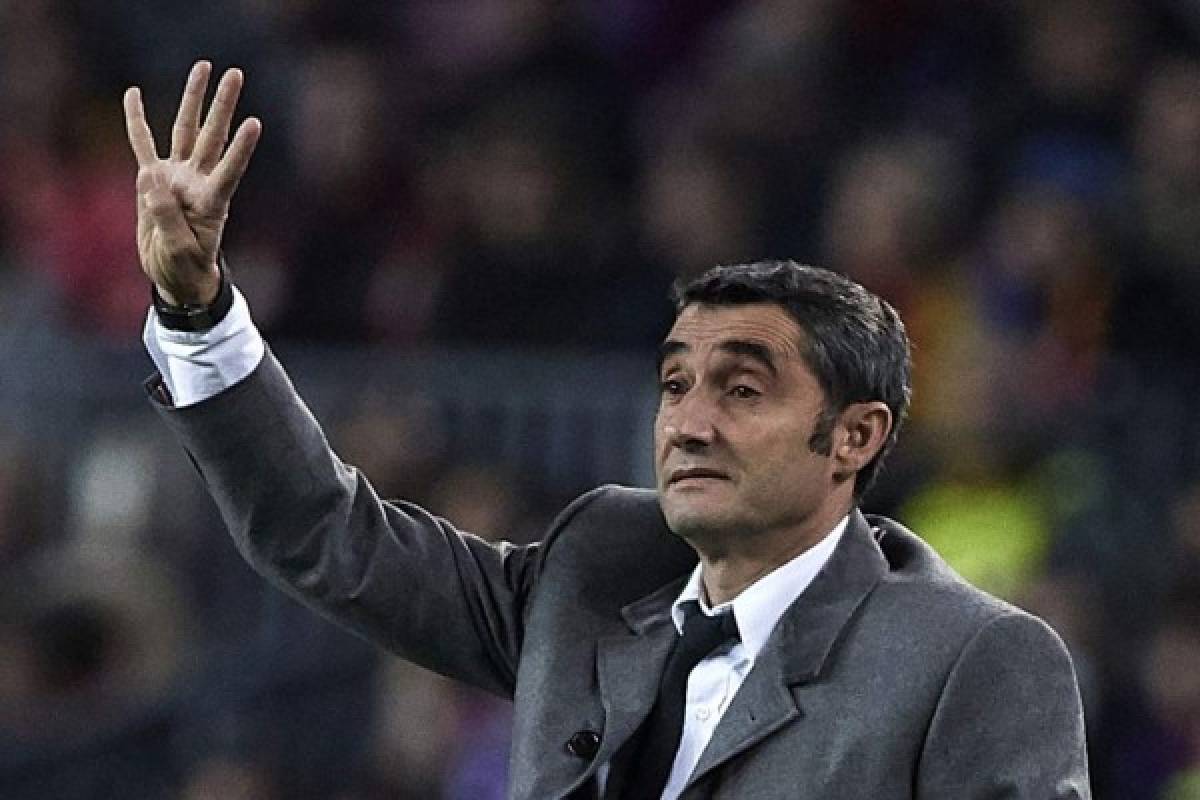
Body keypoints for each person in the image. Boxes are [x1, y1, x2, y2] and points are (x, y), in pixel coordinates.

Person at [123, 62, 1092, 799]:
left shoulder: (972, 659)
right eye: (675, 384)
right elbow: (329, 536)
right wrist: (198, 311)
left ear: (855, 436)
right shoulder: (596, 570)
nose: (689, 423)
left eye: (742, 389)